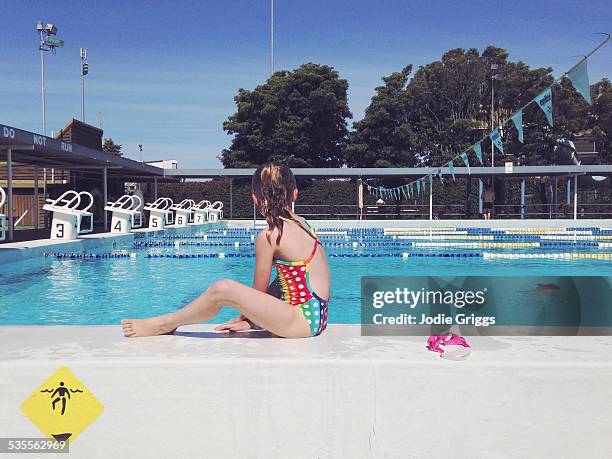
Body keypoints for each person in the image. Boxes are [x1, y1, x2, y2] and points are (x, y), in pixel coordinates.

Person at [121, 163, 331, 339]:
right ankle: (168, 322)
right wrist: (248, 320)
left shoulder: (269, 236)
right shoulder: (304, 225)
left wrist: (250, 317)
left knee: (223, 289)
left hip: (300, 322)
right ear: (295, 194)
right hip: (317, 317)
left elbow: (258, 293)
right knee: (281, 279)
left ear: (255, 199)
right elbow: (290, 281)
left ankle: (166, 323)